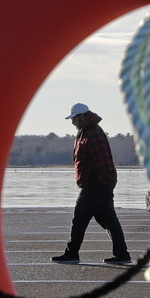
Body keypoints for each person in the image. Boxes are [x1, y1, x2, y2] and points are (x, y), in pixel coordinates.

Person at [52, 103, 131, 265]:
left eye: (74, 118)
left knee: (79, 217)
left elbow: (104, 162)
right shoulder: (85, 132)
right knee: (109, 220)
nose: (72, 122)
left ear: (82, 116)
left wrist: (106, 185)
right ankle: (122, 255)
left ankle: (72, 253)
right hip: (98, 184)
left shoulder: (93, 133)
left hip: (96, 184)